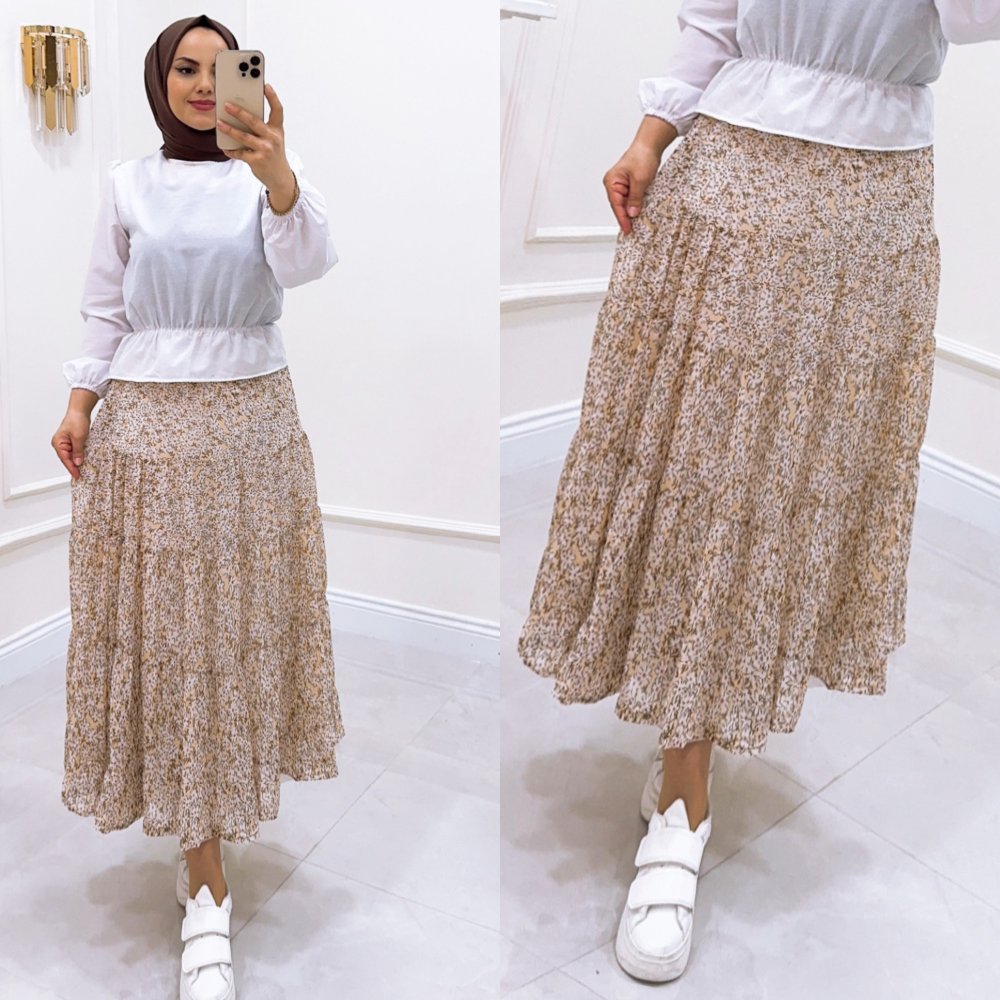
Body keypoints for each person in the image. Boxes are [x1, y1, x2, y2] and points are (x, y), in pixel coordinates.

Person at [516, 0, 1000, 984]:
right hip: (730, 167)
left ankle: (686, 766)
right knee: (704, 471)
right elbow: (716, 18)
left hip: (870, 198)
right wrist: (652, 132)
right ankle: (683, 791)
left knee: (788, 481)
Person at [49, 14, 344, 1000]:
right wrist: (80, 402)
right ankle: (201, 865)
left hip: (250, 424)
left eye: (223, 67)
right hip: (145, 430)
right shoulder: (126, 184)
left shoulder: (266, 175)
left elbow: (307, 265)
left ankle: (210, 848)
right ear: (159, 79)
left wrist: (279, 171)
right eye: (186, 67)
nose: (205, 83)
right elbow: (105, 307)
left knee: (232, 630)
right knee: (169, 636)